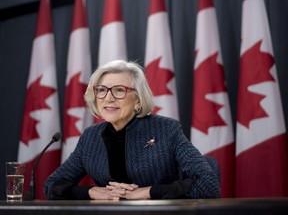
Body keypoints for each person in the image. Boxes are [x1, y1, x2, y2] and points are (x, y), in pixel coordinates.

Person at [43, 60, 220, 200]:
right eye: (102, 90)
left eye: (119, 90)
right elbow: (51, 186)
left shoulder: (166, 130)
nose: (108, 98)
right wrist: (92, 192)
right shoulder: (91, 137)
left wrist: (147, 192)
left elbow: (208, 184)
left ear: (137, 100)